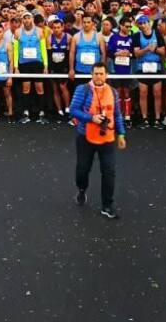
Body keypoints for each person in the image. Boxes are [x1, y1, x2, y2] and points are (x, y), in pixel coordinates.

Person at [69, 63, 126, 219]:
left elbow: (117, 115)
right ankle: (82, 190)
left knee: (109, 172)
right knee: (82, 170)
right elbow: (73, 110)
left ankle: (107, 205)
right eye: (96, 73)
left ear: (106, 75)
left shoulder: (113, 92)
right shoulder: (82, 89)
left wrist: (121, 134)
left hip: (107, 138)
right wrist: (91, 118)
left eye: (101, 74)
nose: (98, 76)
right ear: (92, 74)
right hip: (85, 137)